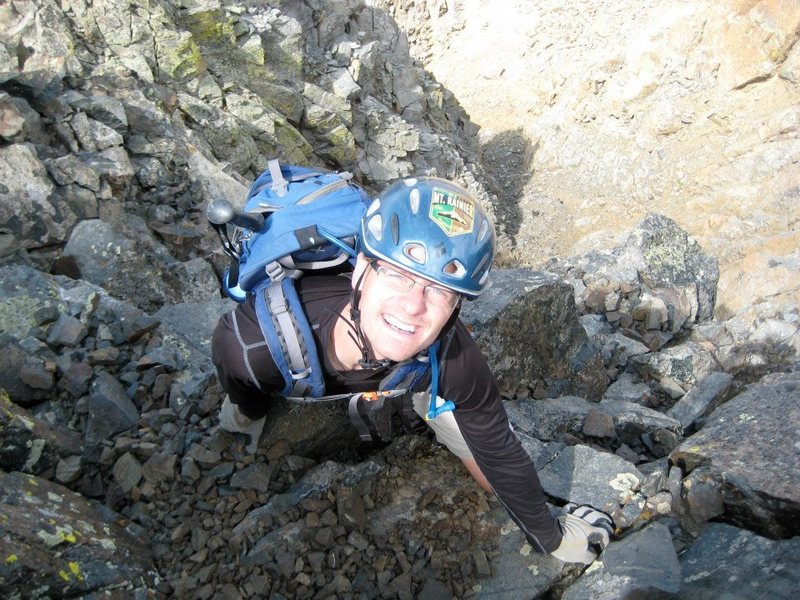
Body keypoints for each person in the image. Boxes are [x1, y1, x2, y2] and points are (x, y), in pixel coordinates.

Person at [211, 176, 612, 564]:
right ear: (361, 269)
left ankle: (428, 403)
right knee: (241, 414)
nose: (413, 306)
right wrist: (250, 410)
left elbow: (500, 451)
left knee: (467, 433)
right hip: (290, 365)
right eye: (399, 275)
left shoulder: (452, 357)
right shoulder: (253, 346)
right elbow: (240, 379)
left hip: (418, 374)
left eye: (438, 290)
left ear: (455, 306)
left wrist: (550, 537)